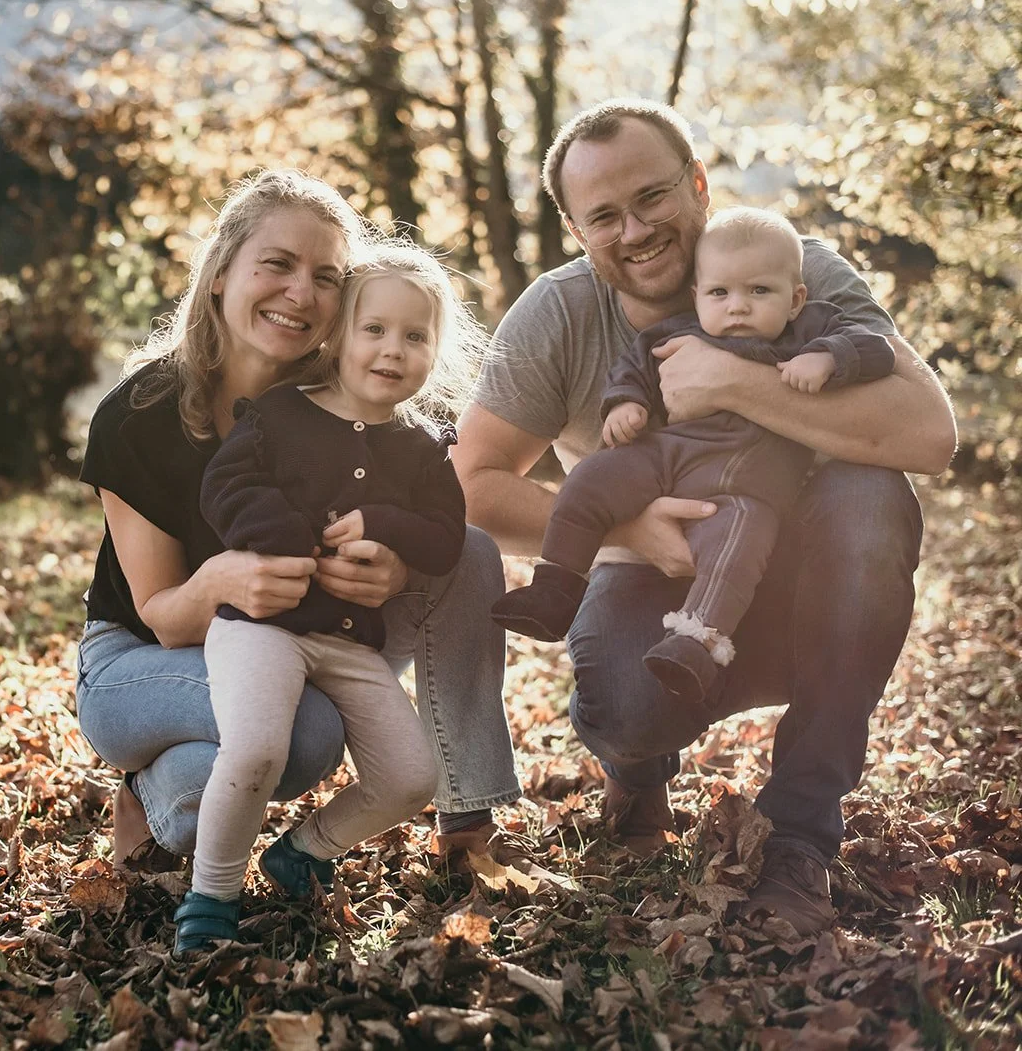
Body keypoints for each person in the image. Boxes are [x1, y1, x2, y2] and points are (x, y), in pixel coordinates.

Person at [454, 99, 955, 936]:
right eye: (604, 216)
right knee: (625, 707)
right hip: (655, 584)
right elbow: (471, 482)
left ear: (697, 184)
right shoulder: (560, 313)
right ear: (576, 229)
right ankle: (638, 770)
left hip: (806, 583)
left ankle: (800, 835)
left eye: (652, 196)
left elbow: (930, 434)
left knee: (871, 499)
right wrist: (627, 530)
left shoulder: (794, 268)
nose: (635, 230)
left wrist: (732, 382)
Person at [75, 171, 521, 891]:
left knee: (466, 552)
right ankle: (150, 795)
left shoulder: (353, 398)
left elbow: (430, 520)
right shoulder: (139, 415)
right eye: (277, 264)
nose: (300, 293)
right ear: (221, 273)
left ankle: (465, 814)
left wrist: (398, 567)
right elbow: (162, 616)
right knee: (305, 732)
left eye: (326, 278)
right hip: (141, 660)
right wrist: (220, 581)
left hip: (305, 634)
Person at [173, 244, 485, 953]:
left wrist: (385, 524)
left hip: (347, 640)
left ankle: (305, 849)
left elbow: (444, 538)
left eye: (415, 336)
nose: (393, 349)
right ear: (339, 335)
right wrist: (286, 538)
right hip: (262, 626)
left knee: (410, 777)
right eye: (375, 330)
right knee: (257, 749)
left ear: (435, 352)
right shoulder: (281, 414)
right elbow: (226, 487)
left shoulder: (422, 447)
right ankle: (211, 894)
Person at [490, 207, 895, 705]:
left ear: (795, 299)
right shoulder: (678, 333)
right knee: (592, 477)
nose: (738, 307)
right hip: (666, 459)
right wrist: (625, 404)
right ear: (697, 296)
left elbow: (878, 350)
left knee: (737, 547)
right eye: (720, 293)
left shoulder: (813, 328)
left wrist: (830, 357)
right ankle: (555, 584)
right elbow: (634, 368)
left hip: (747, 490)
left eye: (759, 291)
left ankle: (695, 643)